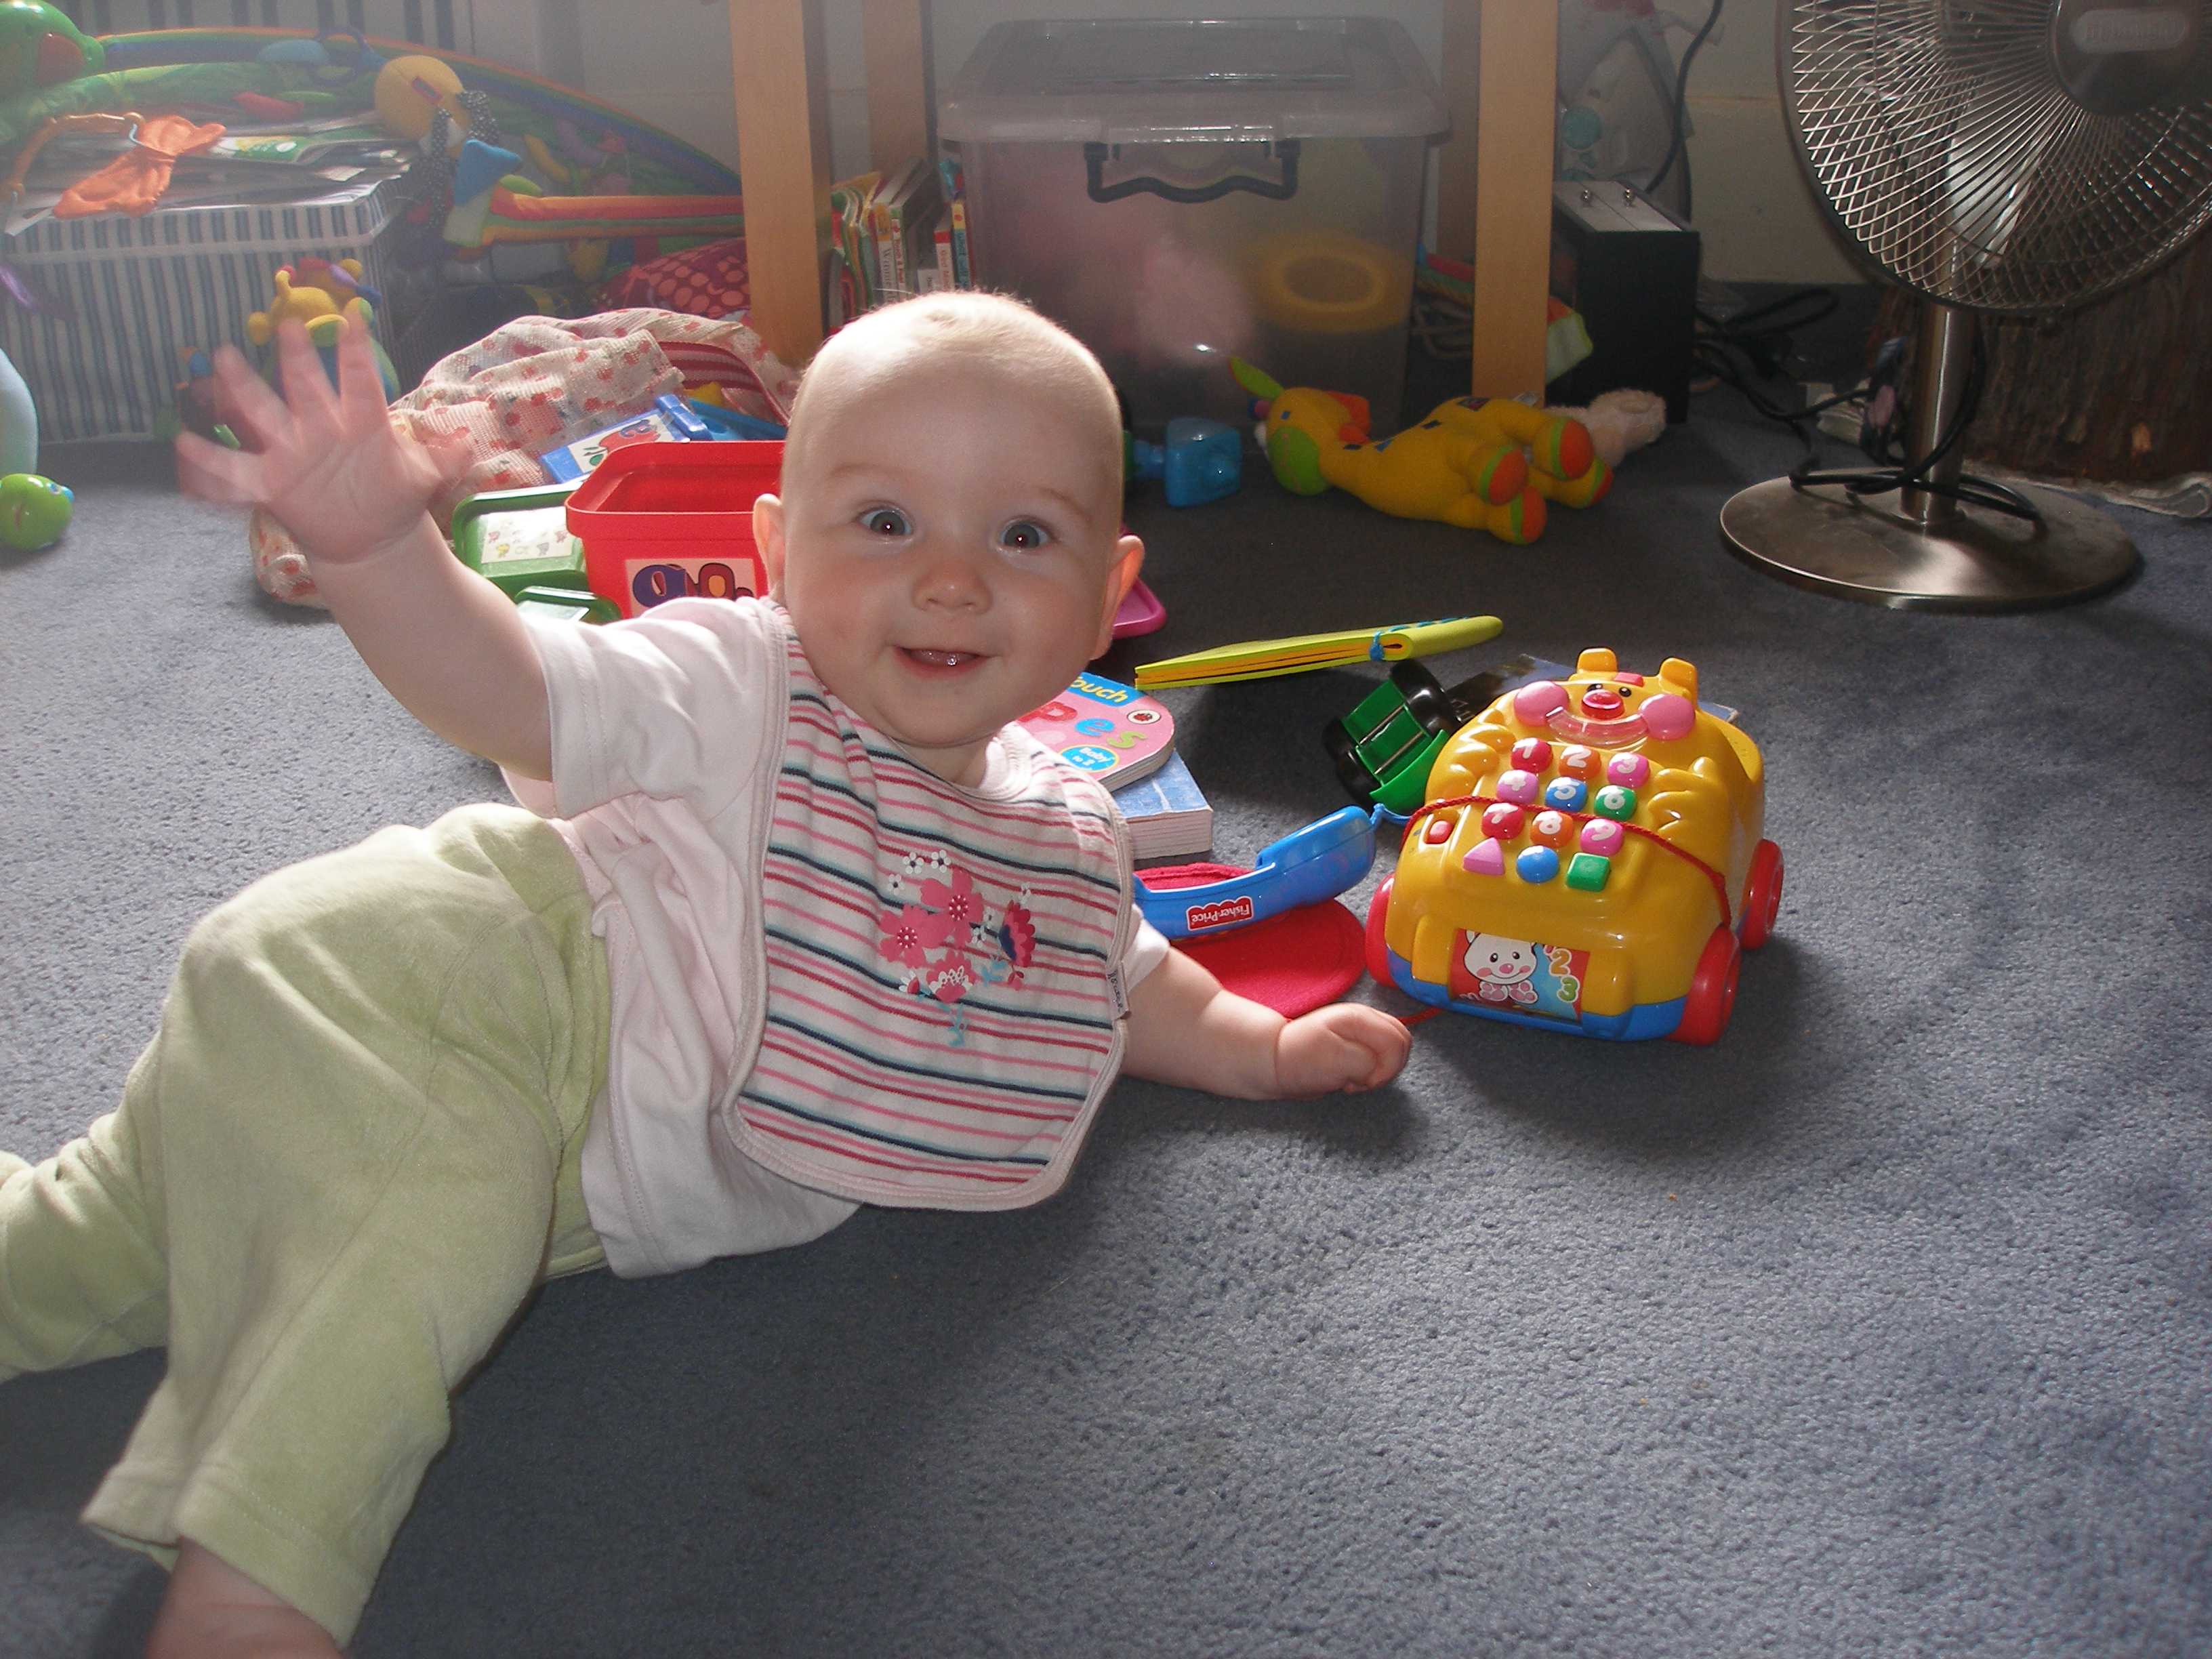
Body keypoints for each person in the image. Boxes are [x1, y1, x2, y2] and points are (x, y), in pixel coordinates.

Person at [0, 291, 1410, 1658]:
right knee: (400, 1260)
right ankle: (257, 1577)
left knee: (105, 1246)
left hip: (486, 1120)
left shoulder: (1062, 830)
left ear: (1107, 595)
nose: (952, 579)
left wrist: (1255, 1048)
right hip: (457, 992)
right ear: (777, 549)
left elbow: (1117, 971)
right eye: (885, 522)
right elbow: (511, 690)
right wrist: (377, 553)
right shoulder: (739, 683)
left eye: (1024, 535)